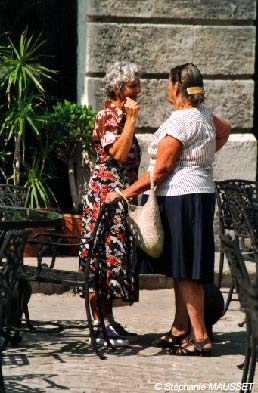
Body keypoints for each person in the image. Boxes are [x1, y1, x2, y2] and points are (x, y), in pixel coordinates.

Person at [106, 63, 231, 356]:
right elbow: (225, 131)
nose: (165, 87)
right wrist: (201, 159)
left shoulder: (180, 121)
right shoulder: (202, 115)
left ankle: (199, 337)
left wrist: (125, 193)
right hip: (198, 193)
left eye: (167, 82)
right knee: (183, 265)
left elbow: (161, 170)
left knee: (186, 269)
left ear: (177, 87)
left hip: (181, 197)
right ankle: (180, 328)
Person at [79, 61, 141, 346]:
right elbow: (117, 154)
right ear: (118, 89)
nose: (138, 90)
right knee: (100, 257)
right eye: (132, 86)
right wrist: (130, 122)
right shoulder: (108, 116)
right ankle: (98, 322)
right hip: (104, 197)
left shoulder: (122, 114)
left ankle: (109, 320)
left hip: (118, 198)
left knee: (114, 260)